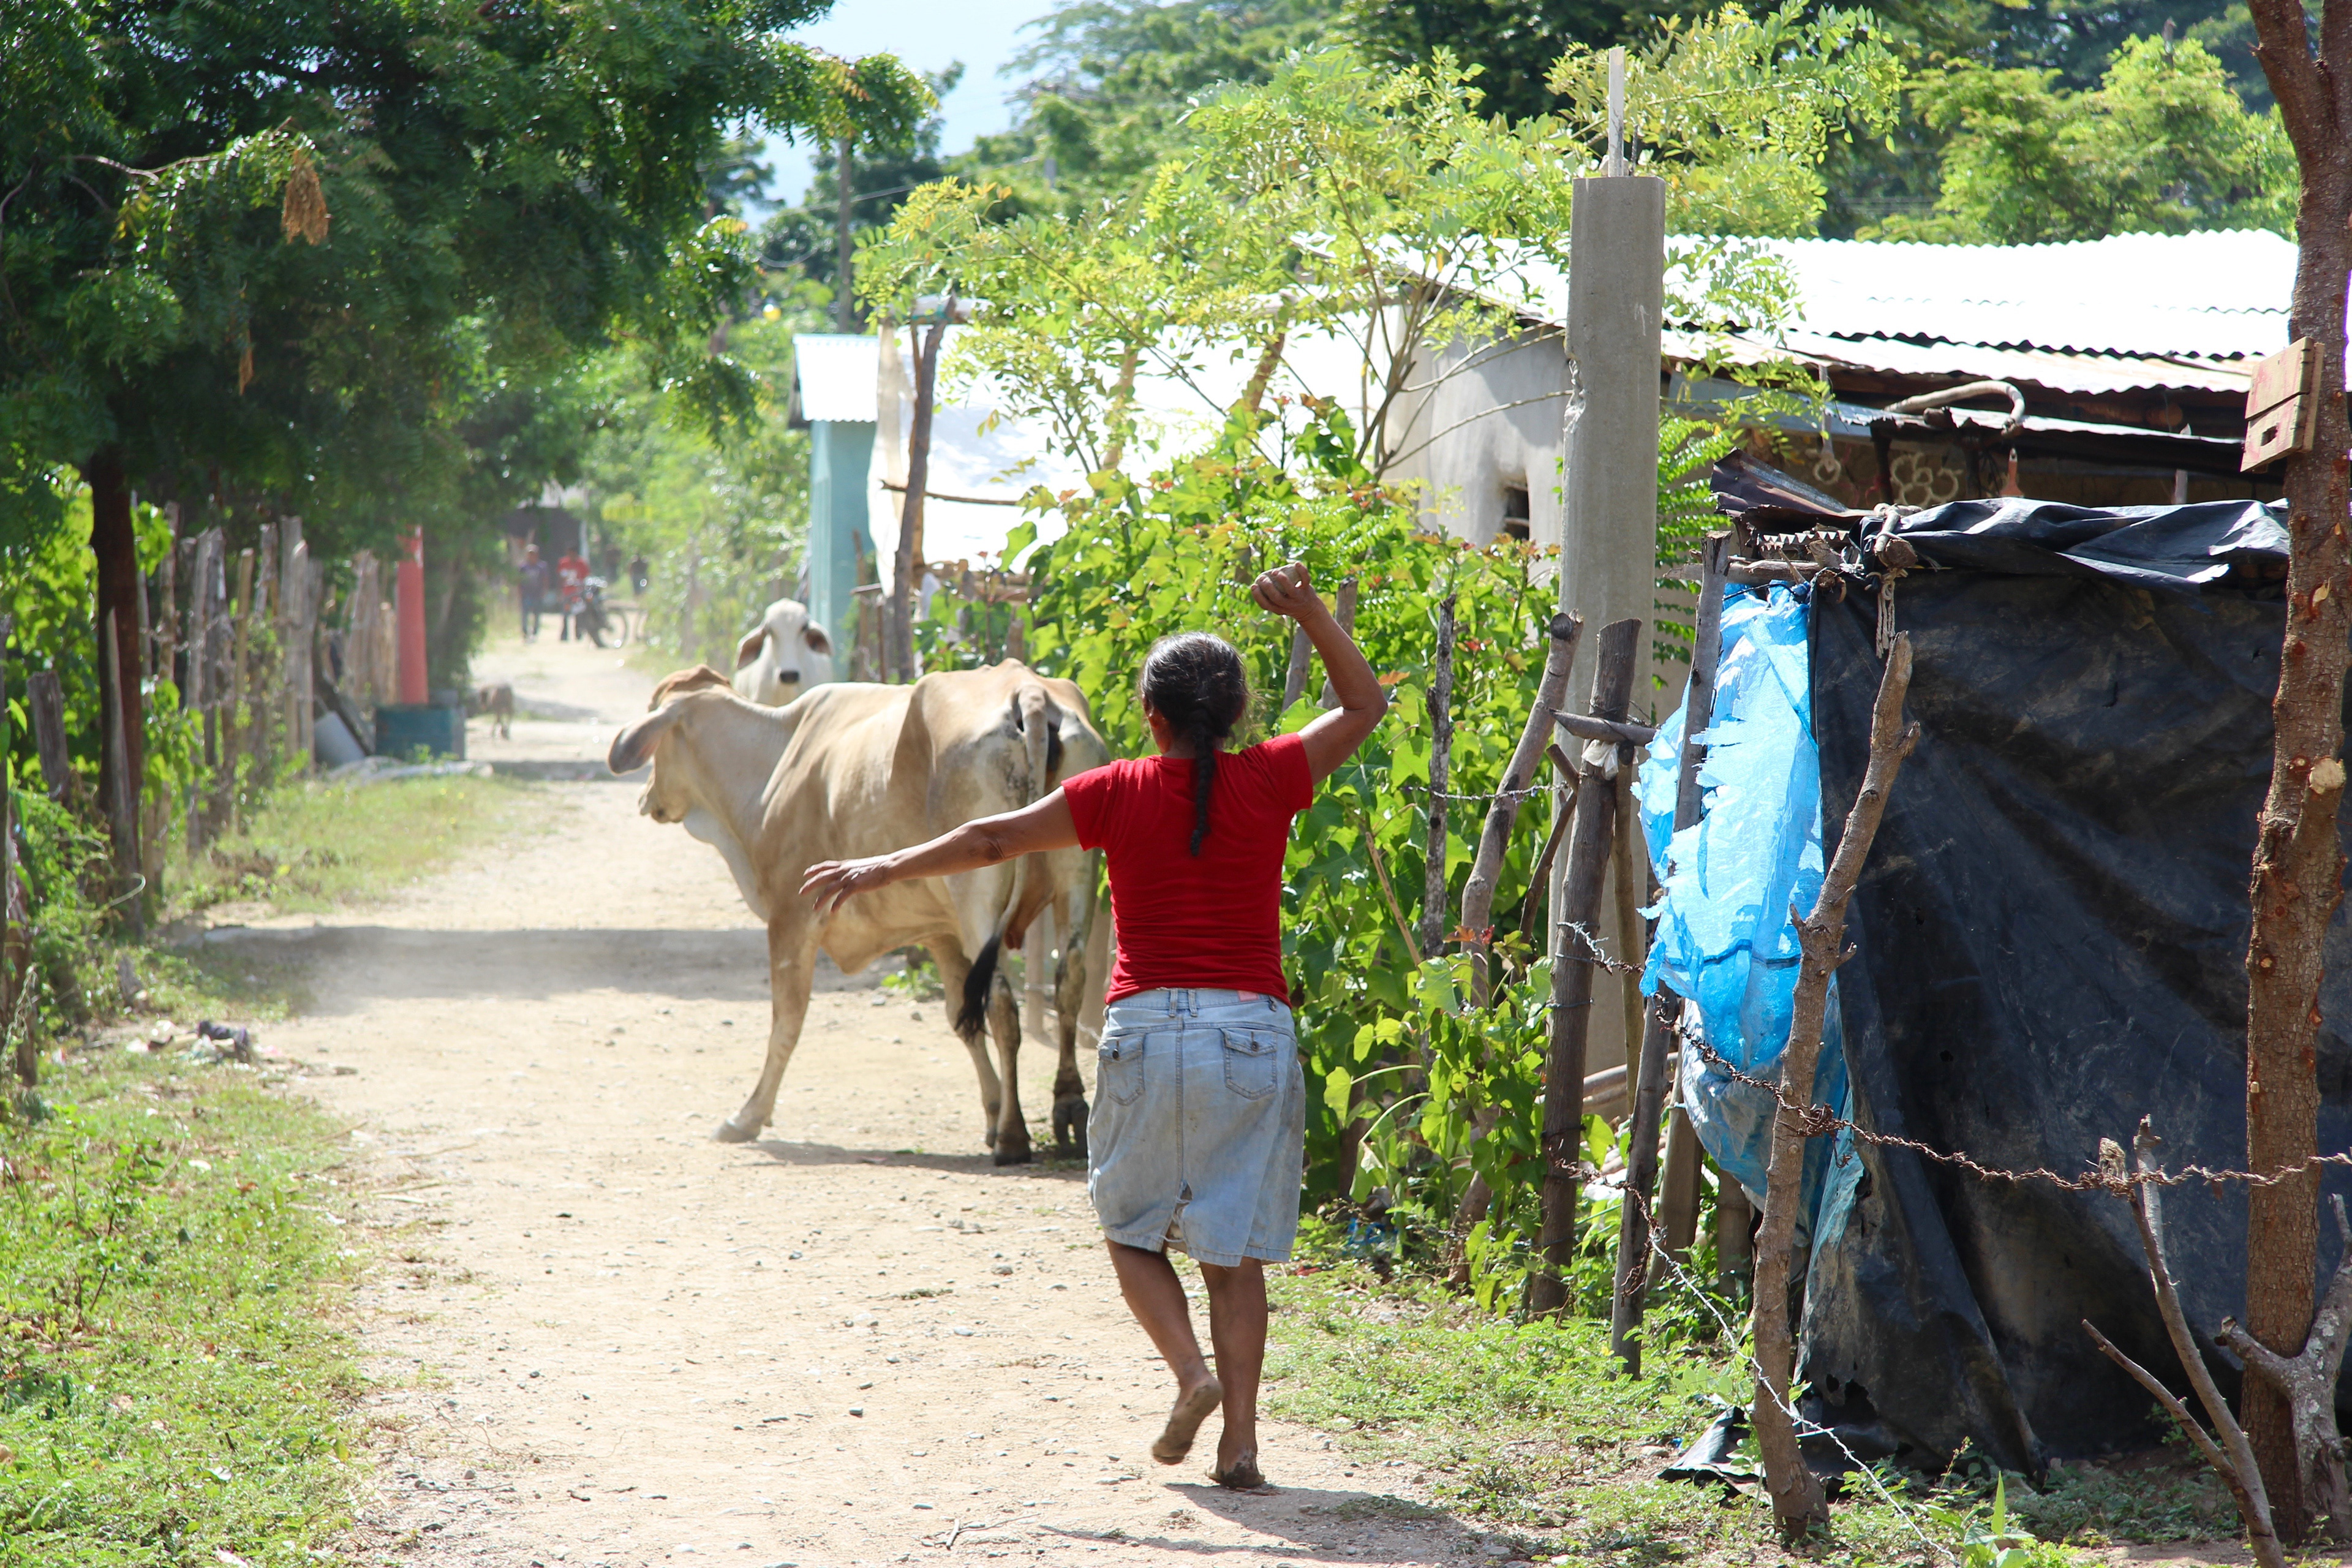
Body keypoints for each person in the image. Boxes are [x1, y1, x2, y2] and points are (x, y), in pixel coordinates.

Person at [801, 564, 1385, 1490]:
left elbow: (993, 841)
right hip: (1250, 1034)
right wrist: (1310, 610)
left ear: (1150, 718)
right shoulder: (1272, 778)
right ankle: (1240, 1446)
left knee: (1129, 1230)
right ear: (1235, 715)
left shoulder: (1114, 792)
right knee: (1233, 1261)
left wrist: (877, 868)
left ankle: (1188, 1375)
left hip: (1147, 1032)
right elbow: (1363, 707)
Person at [556, 546, 590, 642]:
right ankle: (564, 635)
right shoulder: (563, 563)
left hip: (578, 593)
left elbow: (586, 577)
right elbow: (560, 578)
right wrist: (559, 592)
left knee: (578, 614)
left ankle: (578, 634)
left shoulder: (582, 563)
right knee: (565, 614)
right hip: (567, 593)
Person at [519, 545, 549, 641]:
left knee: (537, 615)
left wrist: (544, 590)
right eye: (530, 554)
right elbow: (519, 580)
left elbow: (545, 579)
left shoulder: (542, 567)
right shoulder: (523, 567)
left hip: (537, 594)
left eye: (533, 554)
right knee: (525, 615)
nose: (532, 556)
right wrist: (519, 592)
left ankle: (535, 632)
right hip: (526, 594)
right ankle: (525, 632)